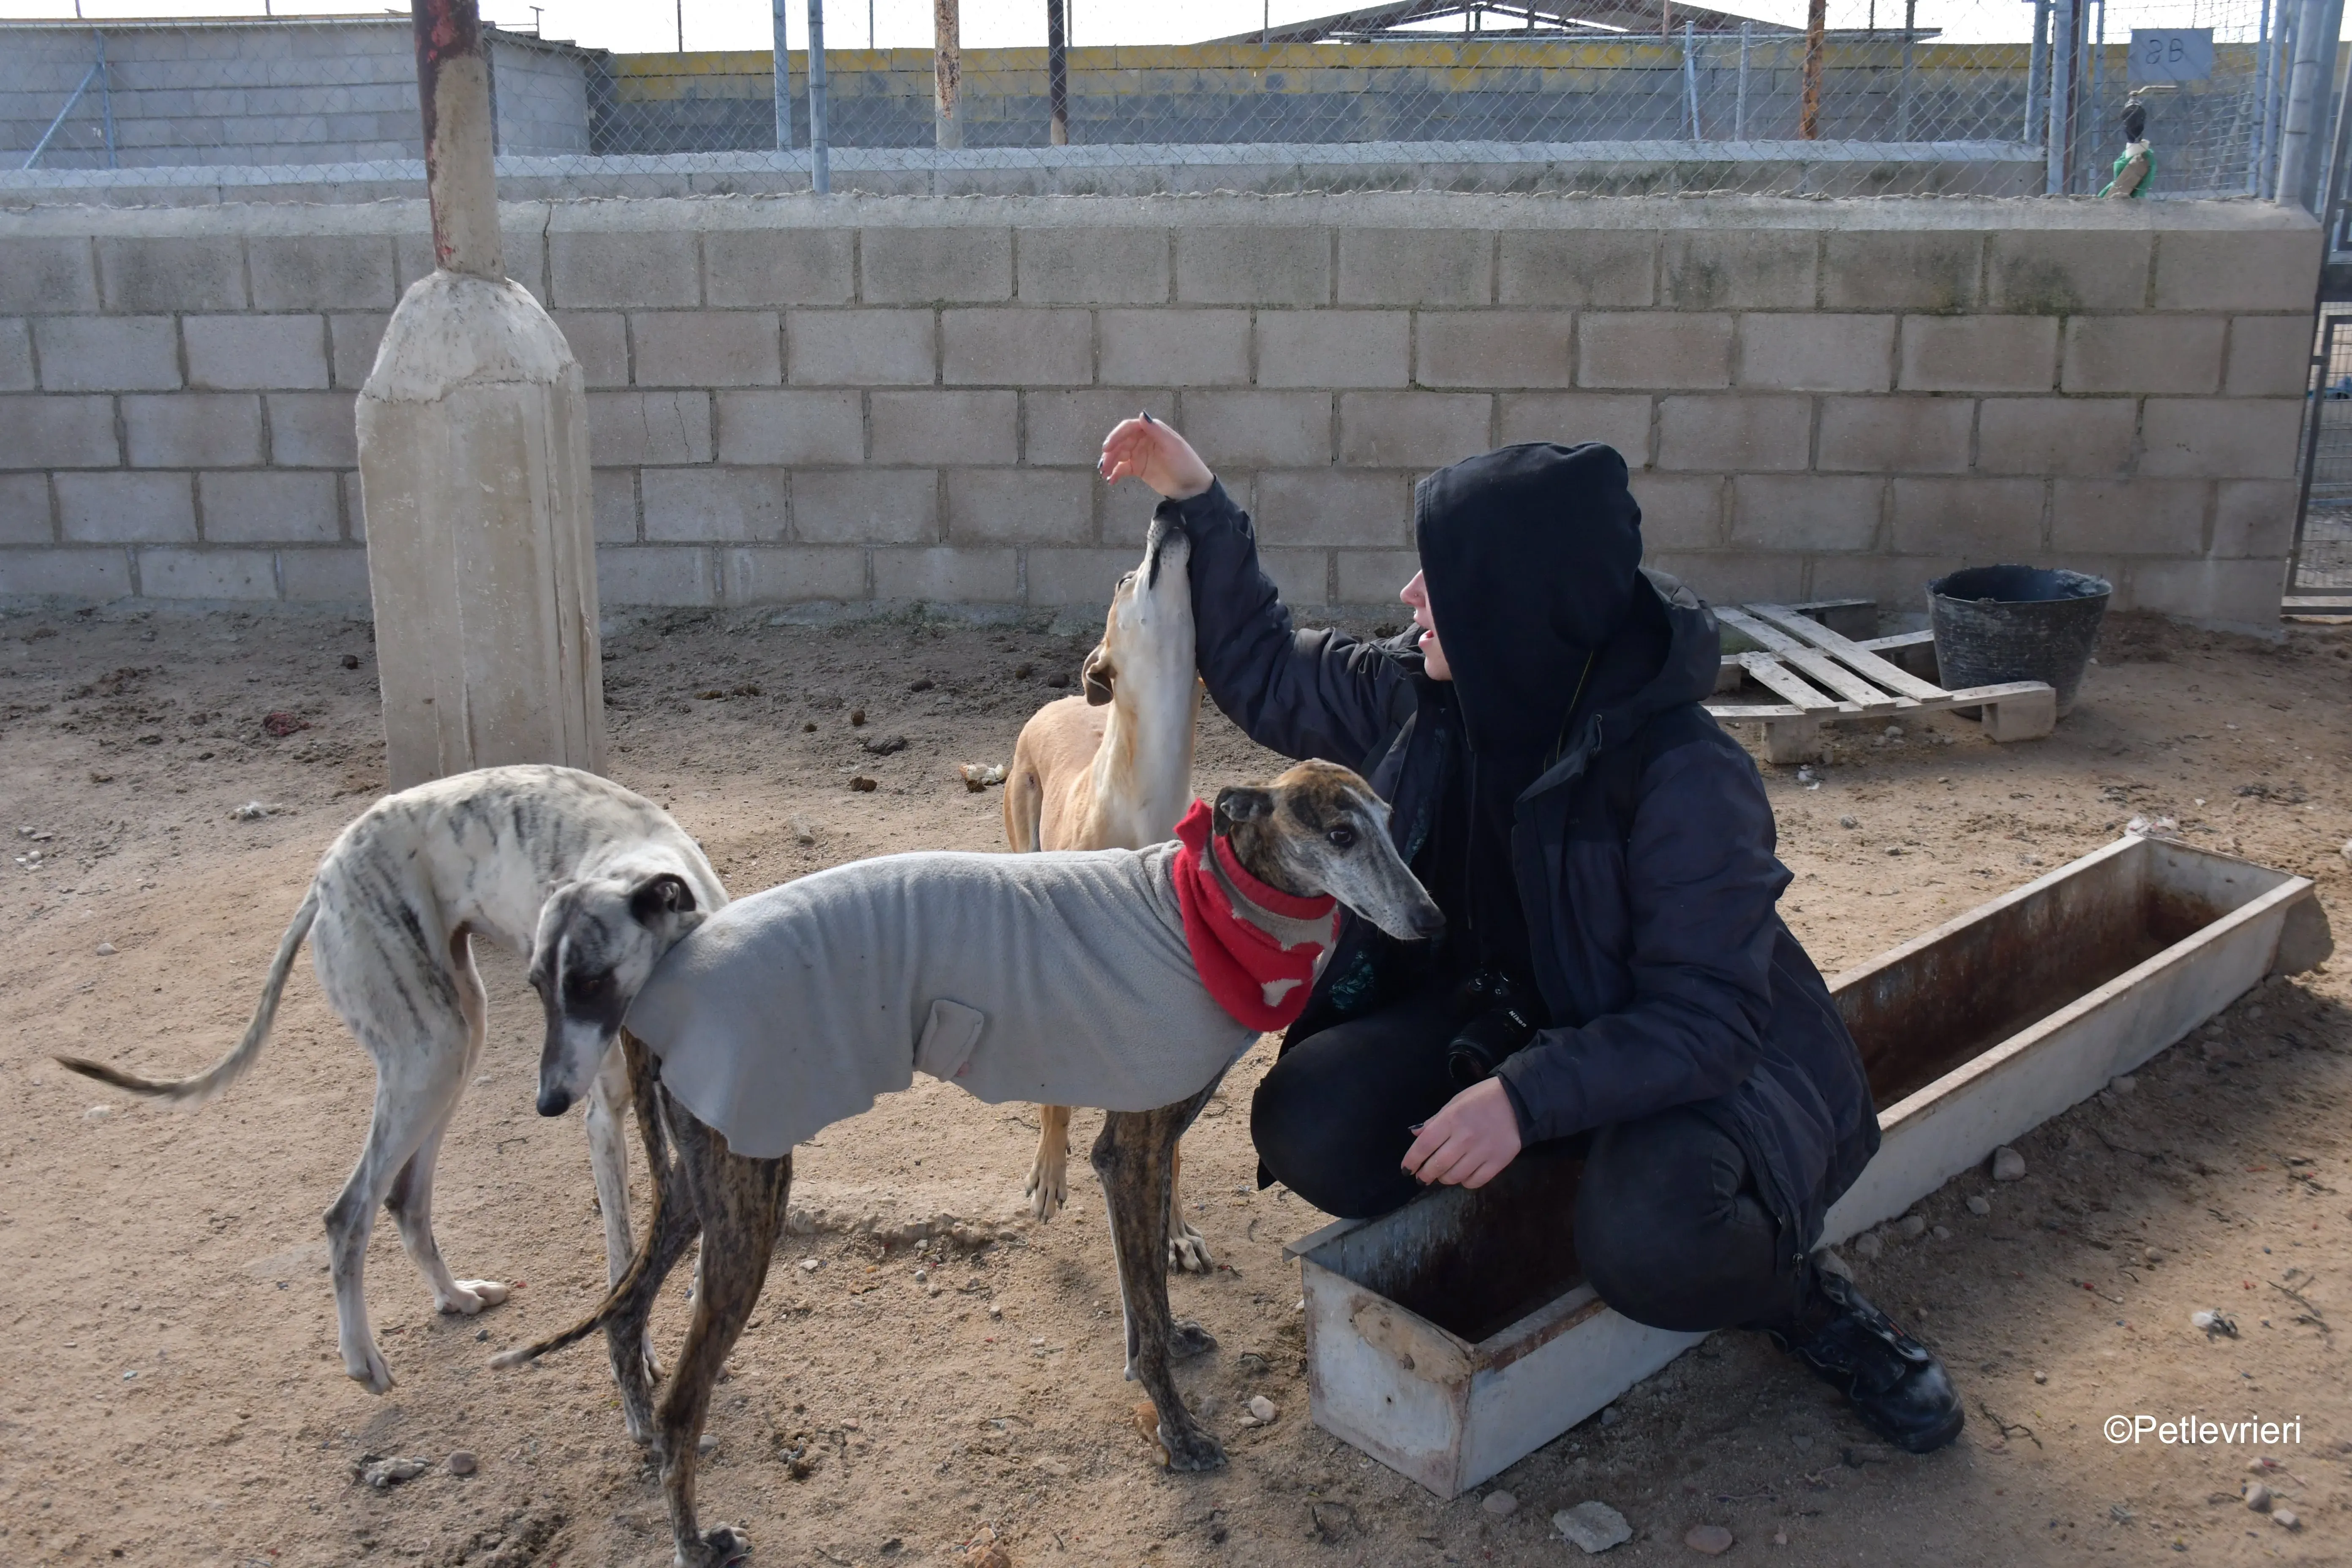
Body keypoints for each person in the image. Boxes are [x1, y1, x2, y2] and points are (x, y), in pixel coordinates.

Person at [1096, 418, 1964, 1455]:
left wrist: (1523, 1097)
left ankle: (1802, 1298)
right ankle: (1546, 1182)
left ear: (1511, 605)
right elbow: (1268, 670)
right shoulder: (1426, 695)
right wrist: (1196, 496)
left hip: (1682, 1053)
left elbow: (1709, 1018)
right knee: (1308, 1118)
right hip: (1503, 1015)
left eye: (1440, 580)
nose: (1410, 596)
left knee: (1652, 1238)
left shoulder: (1685, 772)